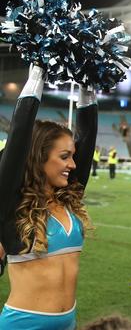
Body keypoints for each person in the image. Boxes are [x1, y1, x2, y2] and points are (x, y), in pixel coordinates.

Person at [0, 65, 97, 329]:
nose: (73, 164)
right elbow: (18, 138)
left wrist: (87, 92)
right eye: (64, 157)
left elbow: (87, 144)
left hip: (68, 322)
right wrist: (35, 81)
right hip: (23, 323)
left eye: (72, 156)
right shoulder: (12, 204)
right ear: (39, 158)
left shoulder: (68, 200)